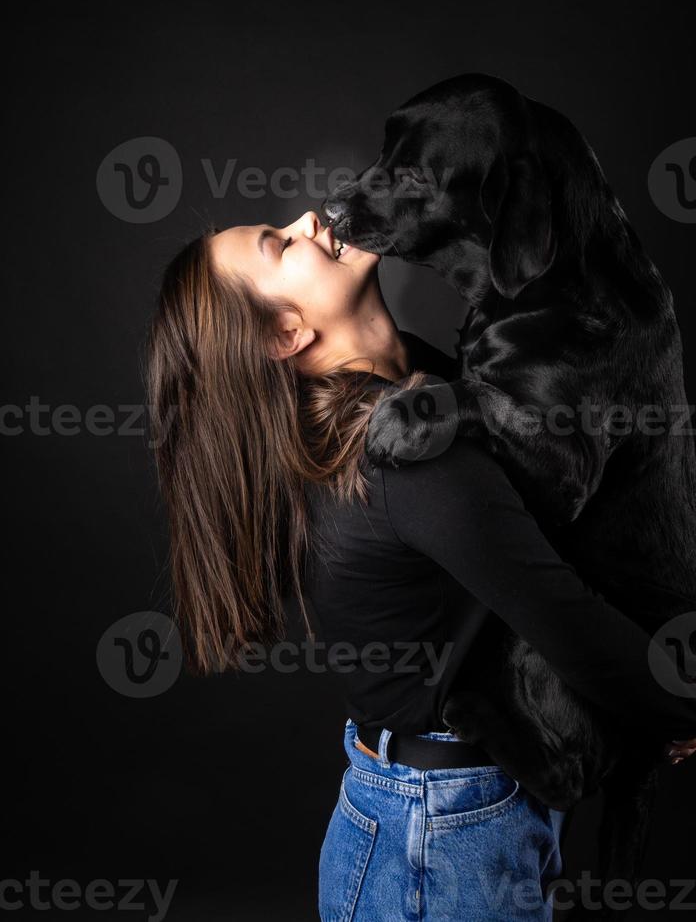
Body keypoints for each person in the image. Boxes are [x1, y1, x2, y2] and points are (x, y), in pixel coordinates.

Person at [146, 210, 696, 922]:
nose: (309, 218)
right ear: (287, 333)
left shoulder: (416, 384)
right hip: (437, 839)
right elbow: (562, 611)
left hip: (457, 810)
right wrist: (673, 705)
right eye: (279, 245)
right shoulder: (400, 460)